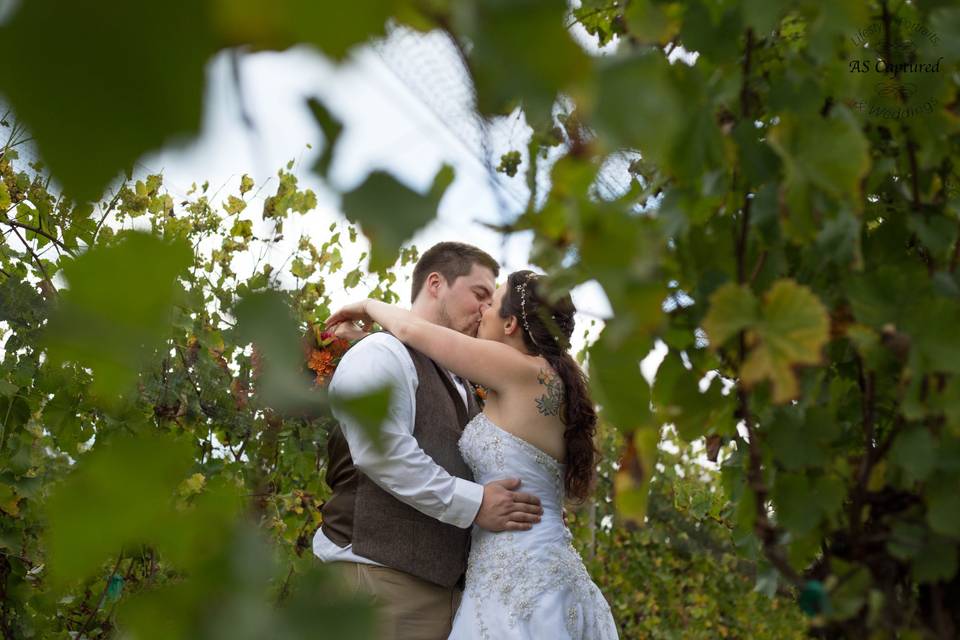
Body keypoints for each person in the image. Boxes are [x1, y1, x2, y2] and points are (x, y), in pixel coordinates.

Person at [326, 269, 619, 639]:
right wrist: (363, 340)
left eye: (492, 303)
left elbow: (413, 331)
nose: (483, 311)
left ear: (510, 323)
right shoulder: (550, 377)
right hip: (533, 558)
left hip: (515, 570)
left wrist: (367, 304)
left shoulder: (515, 369)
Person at [313, 242, 545, 640]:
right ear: (436, 283)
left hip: (445, 599)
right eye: (479, 294)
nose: (487, 310)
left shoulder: (463, 383)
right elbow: (381, 452)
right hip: (378, 583)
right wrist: (476, 505)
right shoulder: (382, 353)